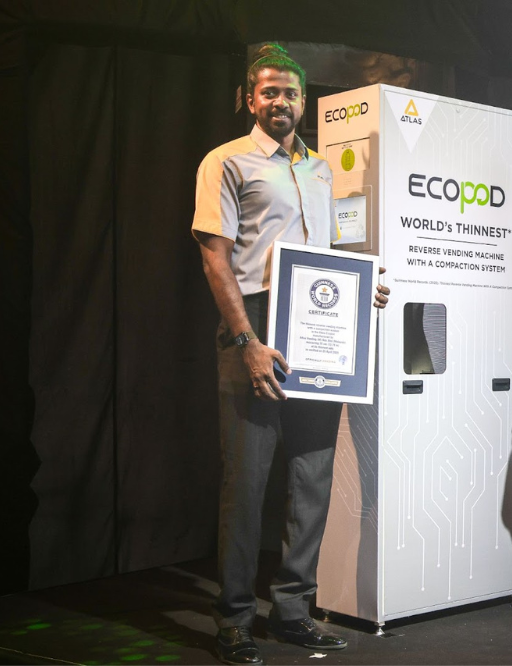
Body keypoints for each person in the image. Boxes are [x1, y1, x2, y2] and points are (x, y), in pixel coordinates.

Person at [192, 44, 389, 665]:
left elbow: (325, 258)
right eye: (270, 92)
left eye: (292, 93)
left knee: (311, 477)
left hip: (317, 328)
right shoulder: (226, 160)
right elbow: (215, 257)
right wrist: (246, 341)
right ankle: (234, 619)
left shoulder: (321, 168)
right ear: (251, 99)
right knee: (246, 484)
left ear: (305, 101)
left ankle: (294, 611)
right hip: (254, 325)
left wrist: (364, 289)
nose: (281, 102)